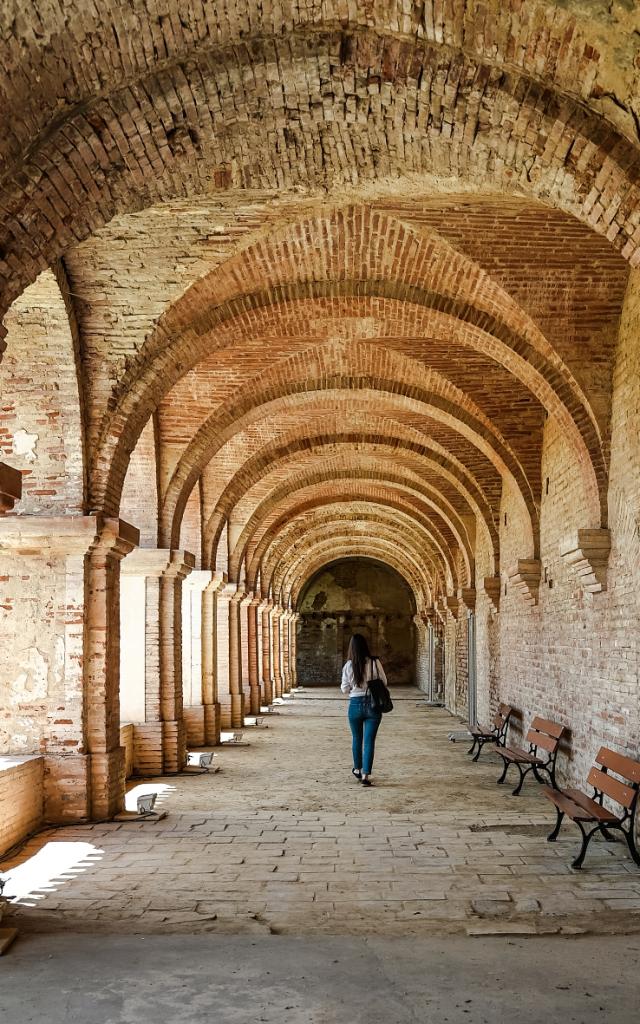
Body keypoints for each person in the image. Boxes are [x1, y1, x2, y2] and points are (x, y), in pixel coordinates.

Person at [341, 633, 388, 786]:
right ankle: (365, 775)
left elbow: (344, 689)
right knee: (369, 741)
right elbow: (384, 682)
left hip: (354, 705)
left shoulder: (348, 666)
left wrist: (355, 688)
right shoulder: (374, 662)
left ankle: (357, 768)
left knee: (356, 738)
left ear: (351, 648)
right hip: (373, 705)